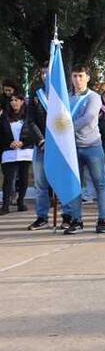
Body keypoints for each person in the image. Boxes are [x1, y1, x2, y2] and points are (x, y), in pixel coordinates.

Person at [65, 65, 105, 234]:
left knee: (99, 184)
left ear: (87, 78)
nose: (78, 79)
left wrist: (65, 129)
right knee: (75, 185)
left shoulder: (94, 97)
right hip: (72, 148)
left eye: (81, 76)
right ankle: (77, 220)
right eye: (75, 76)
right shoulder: (67, 97)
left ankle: (102, 219)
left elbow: (88, 117)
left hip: (92, 146)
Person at [26, 63, 57, 230]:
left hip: (60, 146)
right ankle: (42, 217)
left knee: (61, 182)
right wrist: (42, 140)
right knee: (40, 184)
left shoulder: (62, 94)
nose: (46, 76)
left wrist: (56, 141)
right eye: (43, 73)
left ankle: (68, 216)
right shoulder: (36, 94)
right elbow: (30, 121)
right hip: (41, 146)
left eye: (49, 73)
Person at [0, 93, 33, 215]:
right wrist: (10, 143)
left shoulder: (28, 116)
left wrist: (23, 143)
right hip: (9, 152)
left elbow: (32, 133)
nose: (14, 102)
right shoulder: (4, 117)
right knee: (9, 179)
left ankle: (20, 202)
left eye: (16, 100)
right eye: (12, 100)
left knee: (23, 178)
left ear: (22, 101)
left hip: (25, 151)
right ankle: (5, 205)